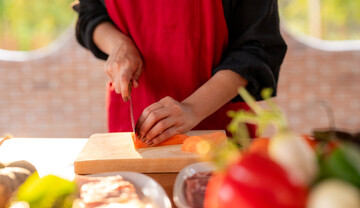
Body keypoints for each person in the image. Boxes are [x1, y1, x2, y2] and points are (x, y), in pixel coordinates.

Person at [74, 0, 287, 146]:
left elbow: (258, 45)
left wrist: (191, 109)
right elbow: (90, 13)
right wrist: (119, 45)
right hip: (131, 121)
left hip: (220, 131)